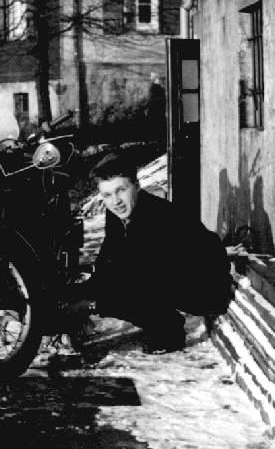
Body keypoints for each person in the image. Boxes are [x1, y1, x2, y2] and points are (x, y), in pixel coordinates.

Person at [63, 151, 226, 354]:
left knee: (122, 289)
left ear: (137, 186)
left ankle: (169, 334)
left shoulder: (155, 216)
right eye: (107, 195)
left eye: (121, 190)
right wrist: (77, 293)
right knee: (110, 284)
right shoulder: (117, 214)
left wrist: (92, 304)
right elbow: (108, 258)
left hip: (206, 286)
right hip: (172, 277)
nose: (115, 201)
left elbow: (136, 276)